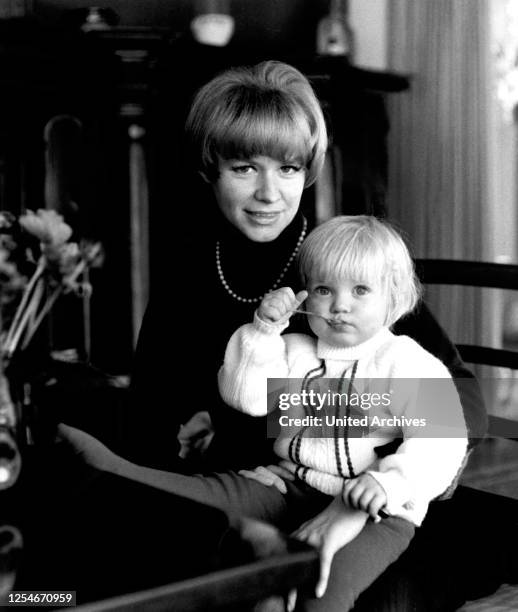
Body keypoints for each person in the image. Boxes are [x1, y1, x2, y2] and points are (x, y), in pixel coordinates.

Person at [60, 60, 487, 610]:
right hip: (246, 495)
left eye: (288, 169)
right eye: (244, 167)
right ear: (210, 169)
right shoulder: (187, 274)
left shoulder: (344, 276)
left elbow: (464, 405)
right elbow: (153, 416)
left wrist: (344, 485)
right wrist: (211, 430)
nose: (269, 194)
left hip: (364, 501)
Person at [216, 214, 468, 607]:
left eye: (361, 290)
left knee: (322, 590)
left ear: (393, 296)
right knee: (227, 533)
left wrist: (389, 484)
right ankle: (121, 481)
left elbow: (444, 437)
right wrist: (263, 331)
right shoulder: (294, 349)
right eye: (323, 289)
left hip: (377, 509)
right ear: (306, 296)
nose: (339, 306)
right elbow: (245, 398)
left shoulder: (403, 360)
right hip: (294, 484)